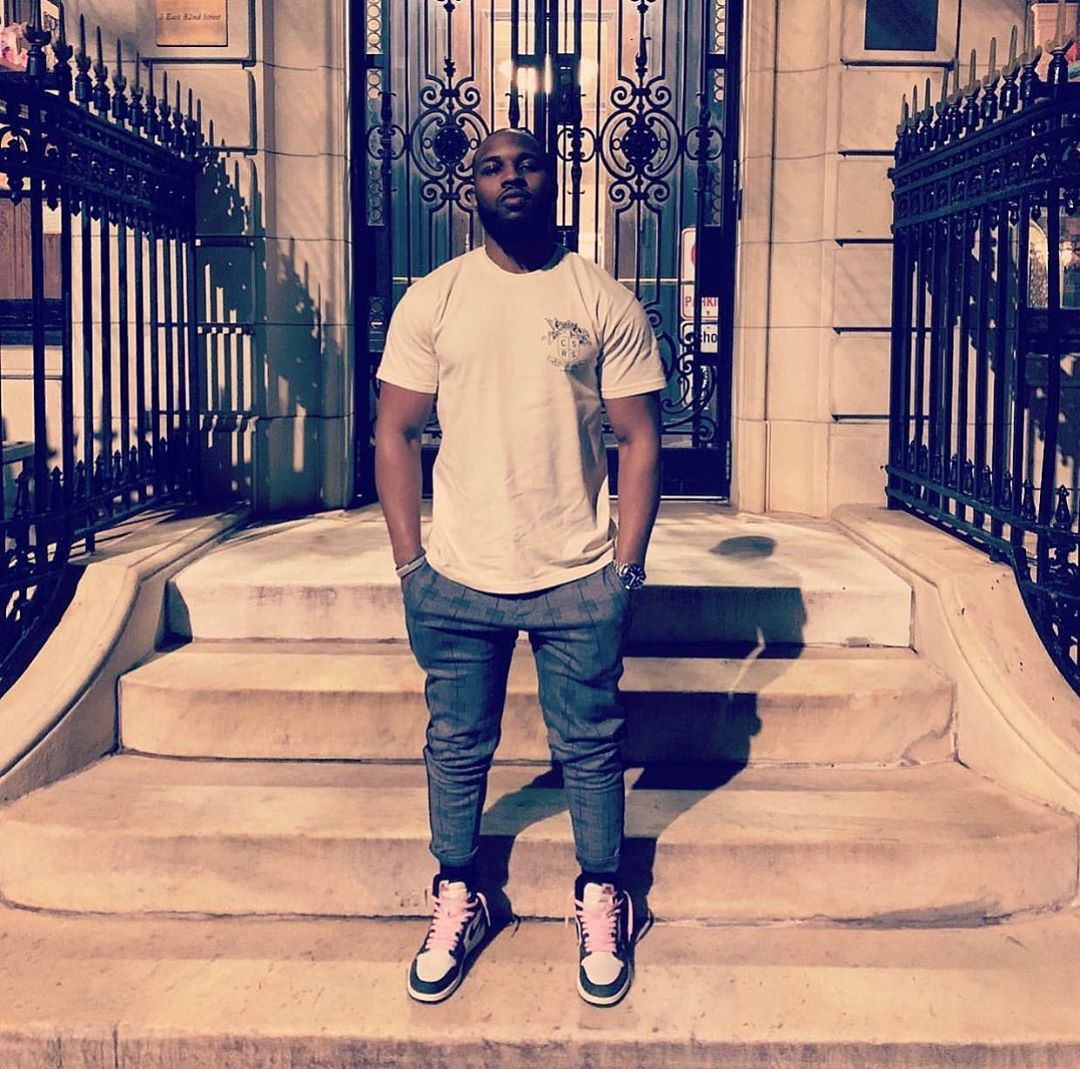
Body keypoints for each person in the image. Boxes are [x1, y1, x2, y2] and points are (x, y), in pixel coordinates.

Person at [374, 127, 664, 1007]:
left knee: (591, 745)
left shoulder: (601, 297)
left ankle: (602, 892)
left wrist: (625, 571)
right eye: (492, 167)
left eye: (527, 163)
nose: (511, 178)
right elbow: (395, 430)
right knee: (456, 745)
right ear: (471, 189)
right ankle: (458, 890)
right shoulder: (435, 298)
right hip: (458, 576)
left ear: (552, 177)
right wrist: (410, 563)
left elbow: (639, 439)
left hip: (576, 574)